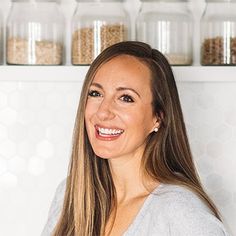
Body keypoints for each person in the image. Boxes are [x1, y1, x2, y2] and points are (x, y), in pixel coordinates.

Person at [42, 41, 230, 236]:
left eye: (126, 98)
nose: (103, 112)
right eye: (96, 93)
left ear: (158, 117)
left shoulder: (181, 213)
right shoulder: (70, 194)